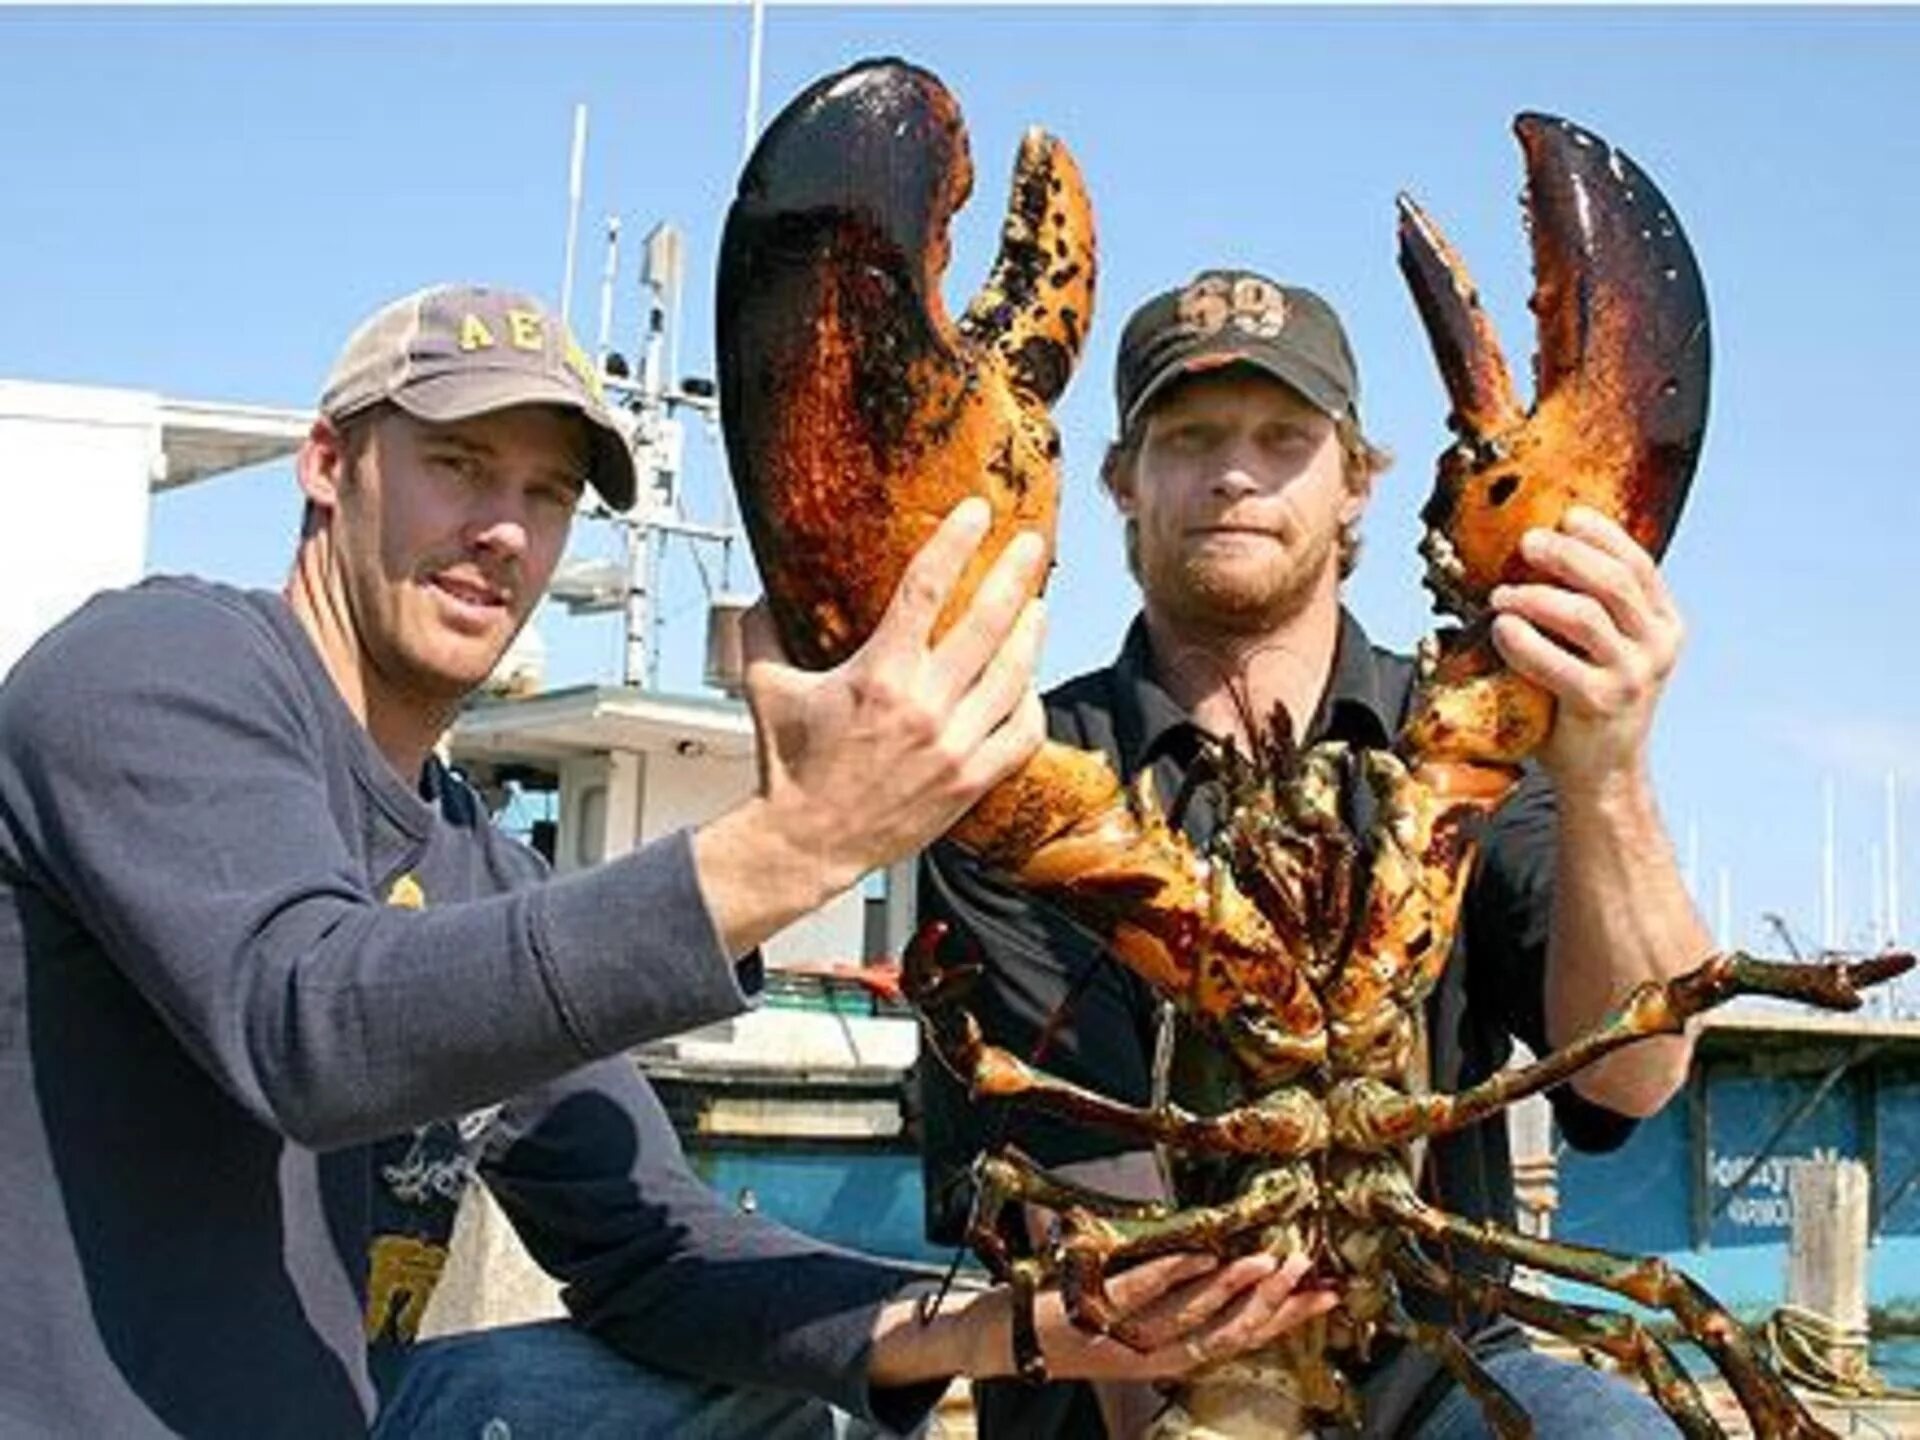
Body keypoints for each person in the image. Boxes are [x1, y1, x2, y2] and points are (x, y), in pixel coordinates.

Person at [0, 283, 1339, 1438]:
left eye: (548, 493)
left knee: (772, 1399)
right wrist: (798, 841)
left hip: (354, 1407)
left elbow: (654, 1250)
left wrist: (1015, 1327)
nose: (507, 532)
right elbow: (314, 1022)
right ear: (327, 463)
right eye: (459, 464)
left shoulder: (478, 861)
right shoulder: (154, 667)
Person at [918, 268, 1710, 1438]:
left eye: (1285, 436)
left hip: (1446, 1373)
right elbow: (1096, 1251)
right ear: (1118, 482)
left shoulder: (1473, 748)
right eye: (1187, 437)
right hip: (1131, 1383)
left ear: (1359, 486)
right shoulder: (1010, 780)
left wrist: (1607, 767)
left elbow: (1633, 1074)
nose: (1235, 473)